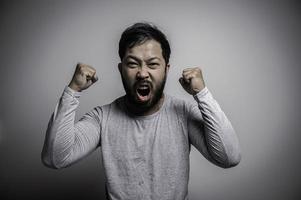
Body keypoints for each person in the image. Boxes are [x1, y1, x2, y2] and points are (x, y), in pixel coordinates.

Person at [41, 22, 241, 200]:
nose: (142, 73)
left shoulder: (183, 112)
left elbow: (229, 157)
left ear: (166, 69)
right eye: (133, 64)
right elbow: (55, 158)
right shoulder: (102, 118)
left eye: (153, 64)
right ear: (121, 69)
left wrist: (202, 94)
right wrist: (72, 91)